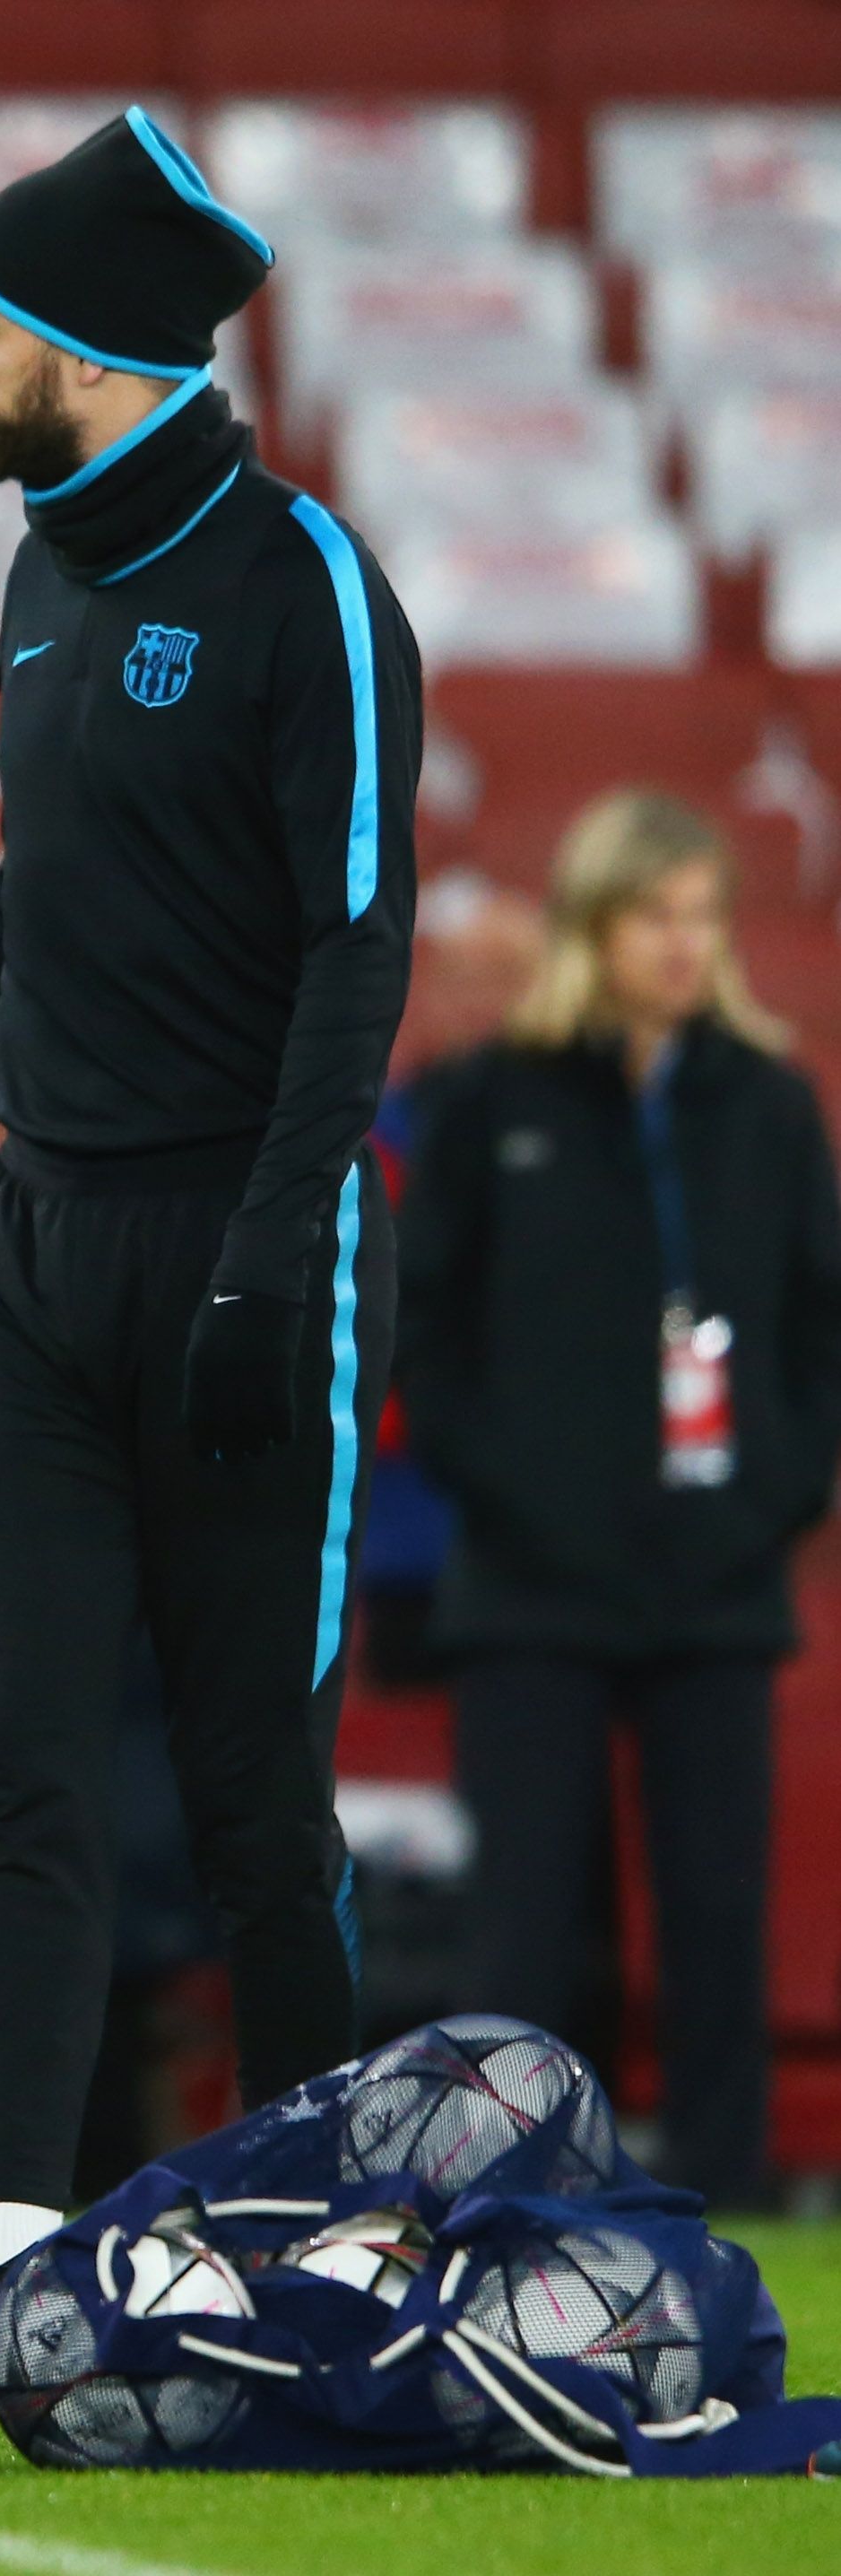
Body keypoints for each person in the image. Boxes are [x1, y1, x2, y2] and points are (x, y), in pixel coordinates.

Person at [0, 110, 422, 2401]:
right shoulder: (38, 574)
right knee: (23, 1768)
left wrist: (272, 1258)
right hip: (37, 1248)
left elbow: (355, 943)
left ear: (84, 348)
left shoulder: (301, 580)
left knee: (252, 1791)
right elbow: (30, 907)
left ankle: (331, 2244)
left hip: (233, 1244)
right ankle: (17, 2249)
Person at [400, 789, 841, 2208]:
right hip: (531, 1582)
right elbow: (426, 1333)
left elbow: (817, 1328)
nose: (684, 944)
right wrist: (510, 1490)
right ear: (593, 927)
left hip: (717, 1577)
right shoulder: (487, 1100)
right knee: (523, 1919)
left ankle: (724, 2191)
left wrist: (773, 1491)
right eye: (656, 917)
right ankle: (499, 2191)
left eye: (703, 918)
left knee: (717, 1912)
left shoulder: (770, 1104)